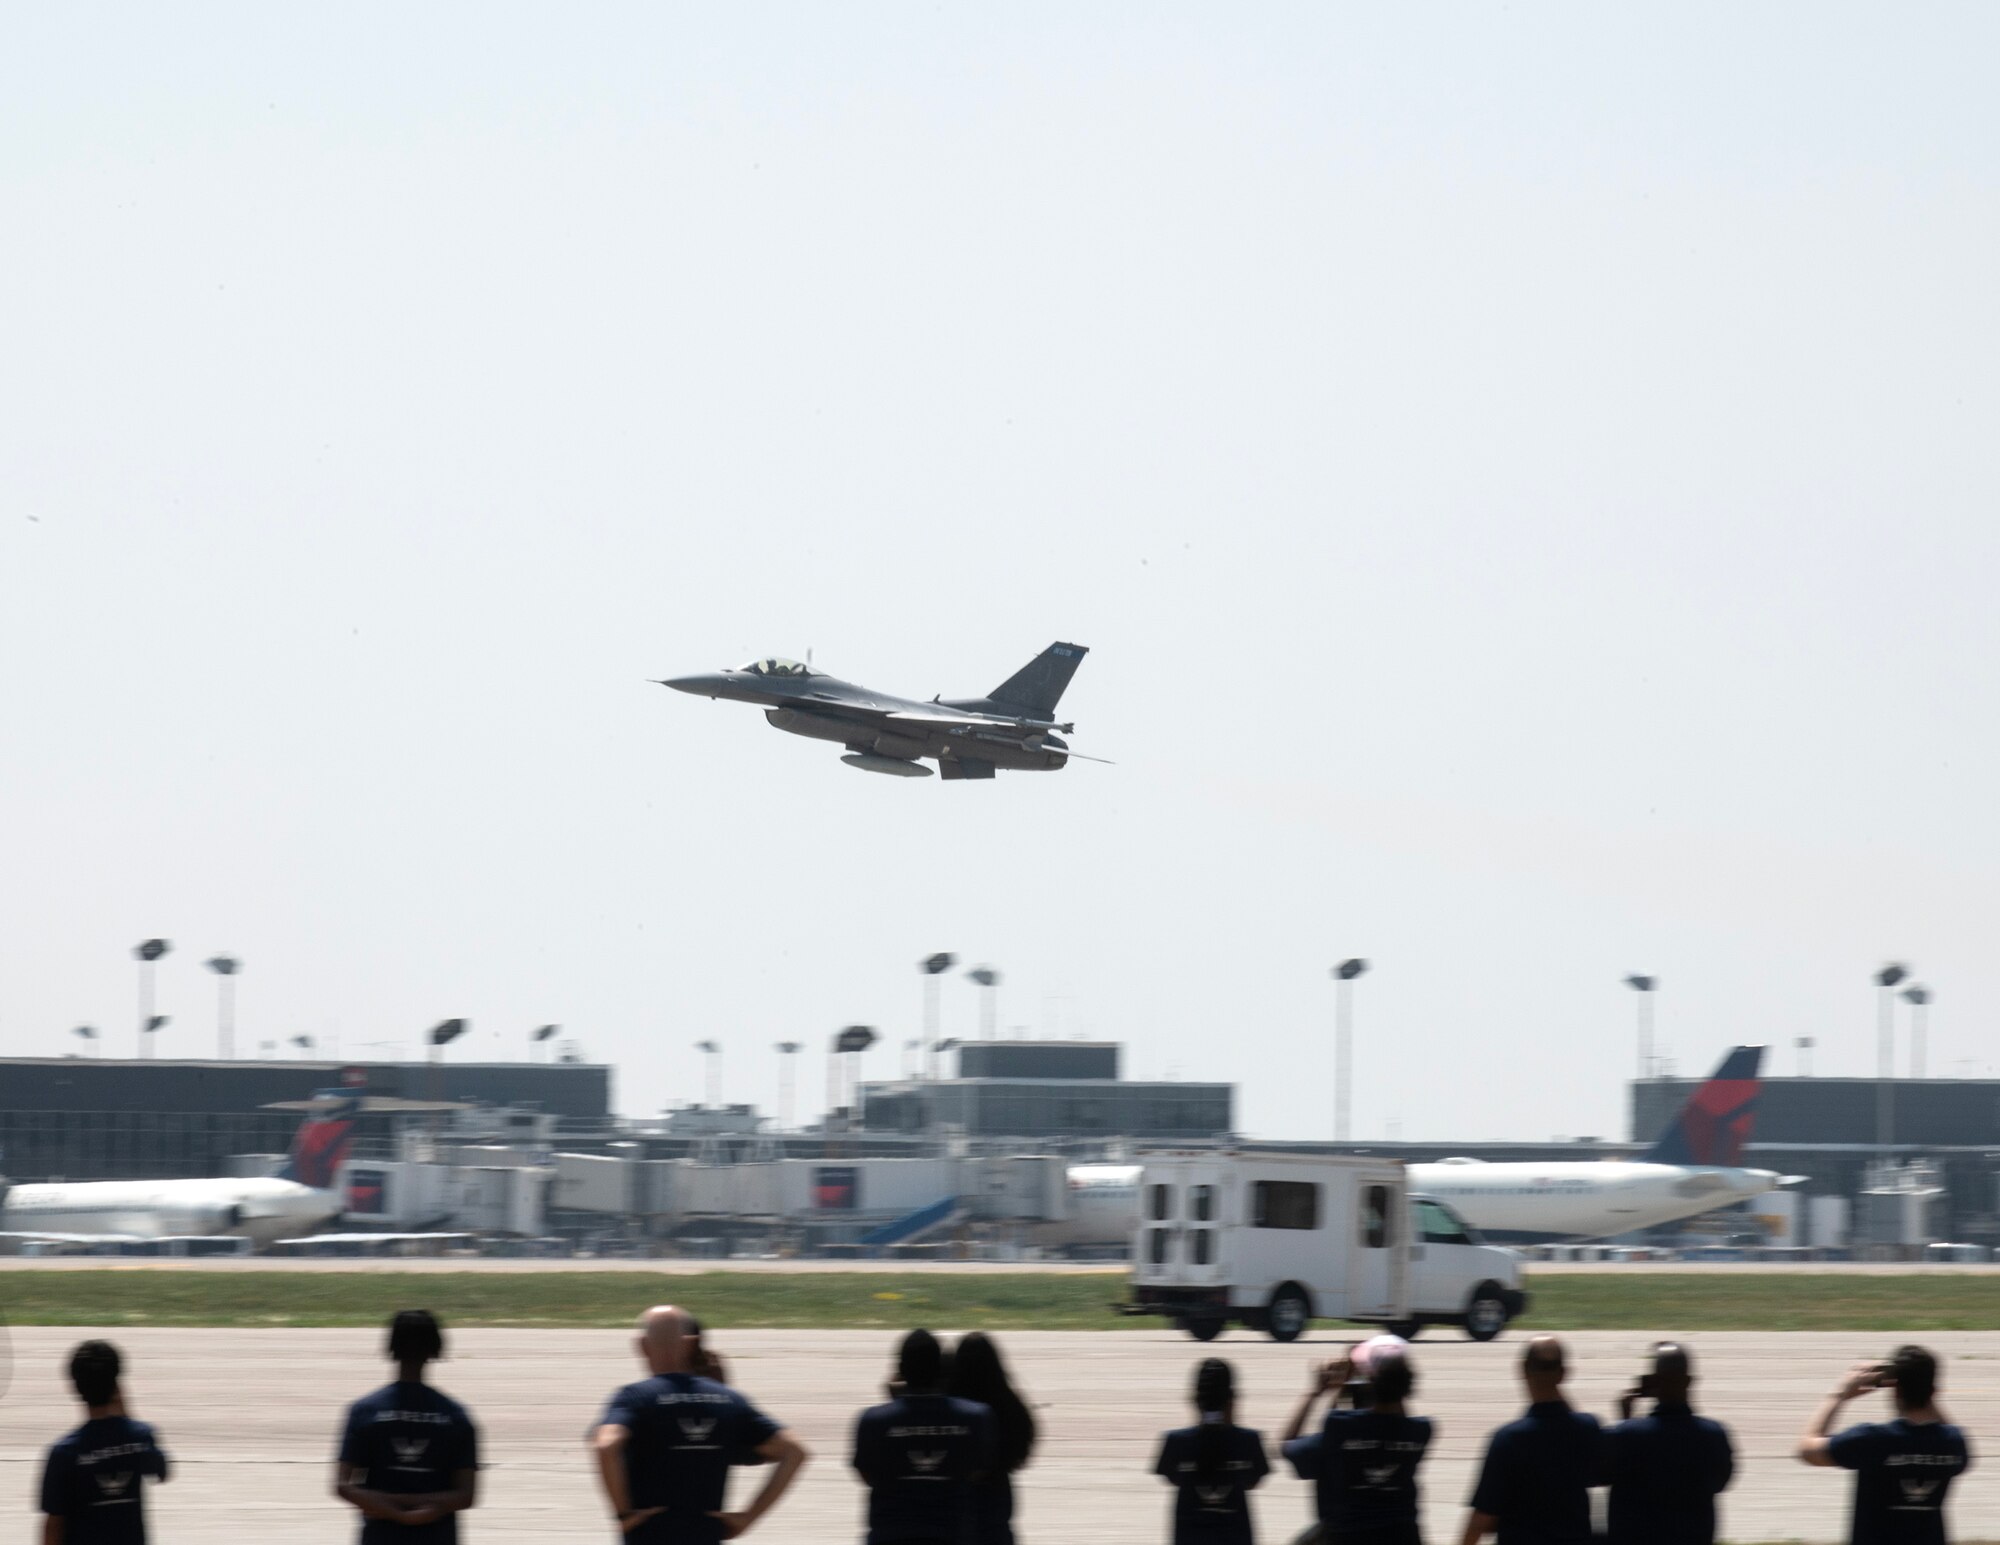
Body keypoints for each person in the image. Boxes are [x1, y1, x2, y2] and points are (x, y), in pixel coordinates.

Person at [592, 1303, 807, 1542]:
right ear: (692, 1343)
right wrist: (748, 1517)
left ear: (641, 1346)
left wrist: (624, 1514)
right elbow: (794, 1451)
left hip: (649, 1534)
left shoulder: (634, 1398)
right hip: (706, 1534)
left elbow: (606, 1445)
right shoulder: (728, 1399)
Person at [1798, 1344, 1973, 1545]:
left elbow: (1807, 1450)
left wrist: (1838, 1396)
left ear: (1895, 1390)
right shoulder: (1953, 1443)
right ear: (1933, 1391)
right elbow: (1946, 1429)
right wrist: (1923, 1390)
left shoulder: (1872, 1439)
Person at [334, 1309, 480, 1543]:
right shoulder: (455, 1416)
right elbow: (466, 1495)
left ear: (390, 1348)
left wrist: (392, 1509)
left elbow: (342, 1485)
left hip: (380, 1535)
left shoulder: (365, 1410)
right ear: (436, 1349)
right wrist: (420, 1511)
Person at [1282, 1336, 1431, 1545]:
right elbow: (1399, 1416)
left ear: (1372, 1384)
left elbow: (1288, 1445)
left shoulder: (1340, 1427)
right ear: (1407, 1387)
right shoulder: (1421, 1430)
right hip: (1403, 1536)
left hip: (1349, 1535)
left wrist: (1318, 1392)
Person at [852, 1327, 994, 1545]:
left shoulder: (873, 1420)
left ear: (900, 1371)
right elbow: (979, 1470)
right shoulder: (976, 1417)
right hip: (952, 1532)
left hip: (890, 1533)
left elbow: (866, 1474)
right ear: (943, 1370)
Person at [1461, 1335, 1602, 1545]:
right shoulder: (1587, 1428)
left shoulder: (1509, 1439)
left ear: (1522, 1371)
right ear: (1564, 1373)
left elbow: (1484, 1515)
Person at [39, 1339, 170, 1545]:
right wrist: (127, 1416)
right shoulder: (140, 1437)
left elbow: (54, 1524)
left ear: (75, 1387)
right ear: (116, 1384)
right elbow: (161, 1473)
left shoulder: (65, 1453)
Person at [1603, 1341, 1734, 1545]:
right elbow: (1720, 1482)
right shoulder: (1713, 1435)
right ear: (1689, 1382)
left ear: (1652, 1383)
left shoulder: (1625, 1434)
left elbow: (1602, 1472)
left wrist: (1625, 1420)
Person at [1154, 1357, 1270, 1545]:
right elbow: (1253, 1480)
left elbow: (1172, 1477)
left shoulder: (1176, 1442)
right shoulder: (1249, 1441)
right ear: (1231, 1399)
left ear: (1195, 1400)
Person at [945, 1331, 1038, 1545]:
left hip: (954, 1500)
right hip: (996, 1496)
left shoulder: (948, 1407)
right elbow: (1022, 1451)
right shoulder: (1009, 1405)